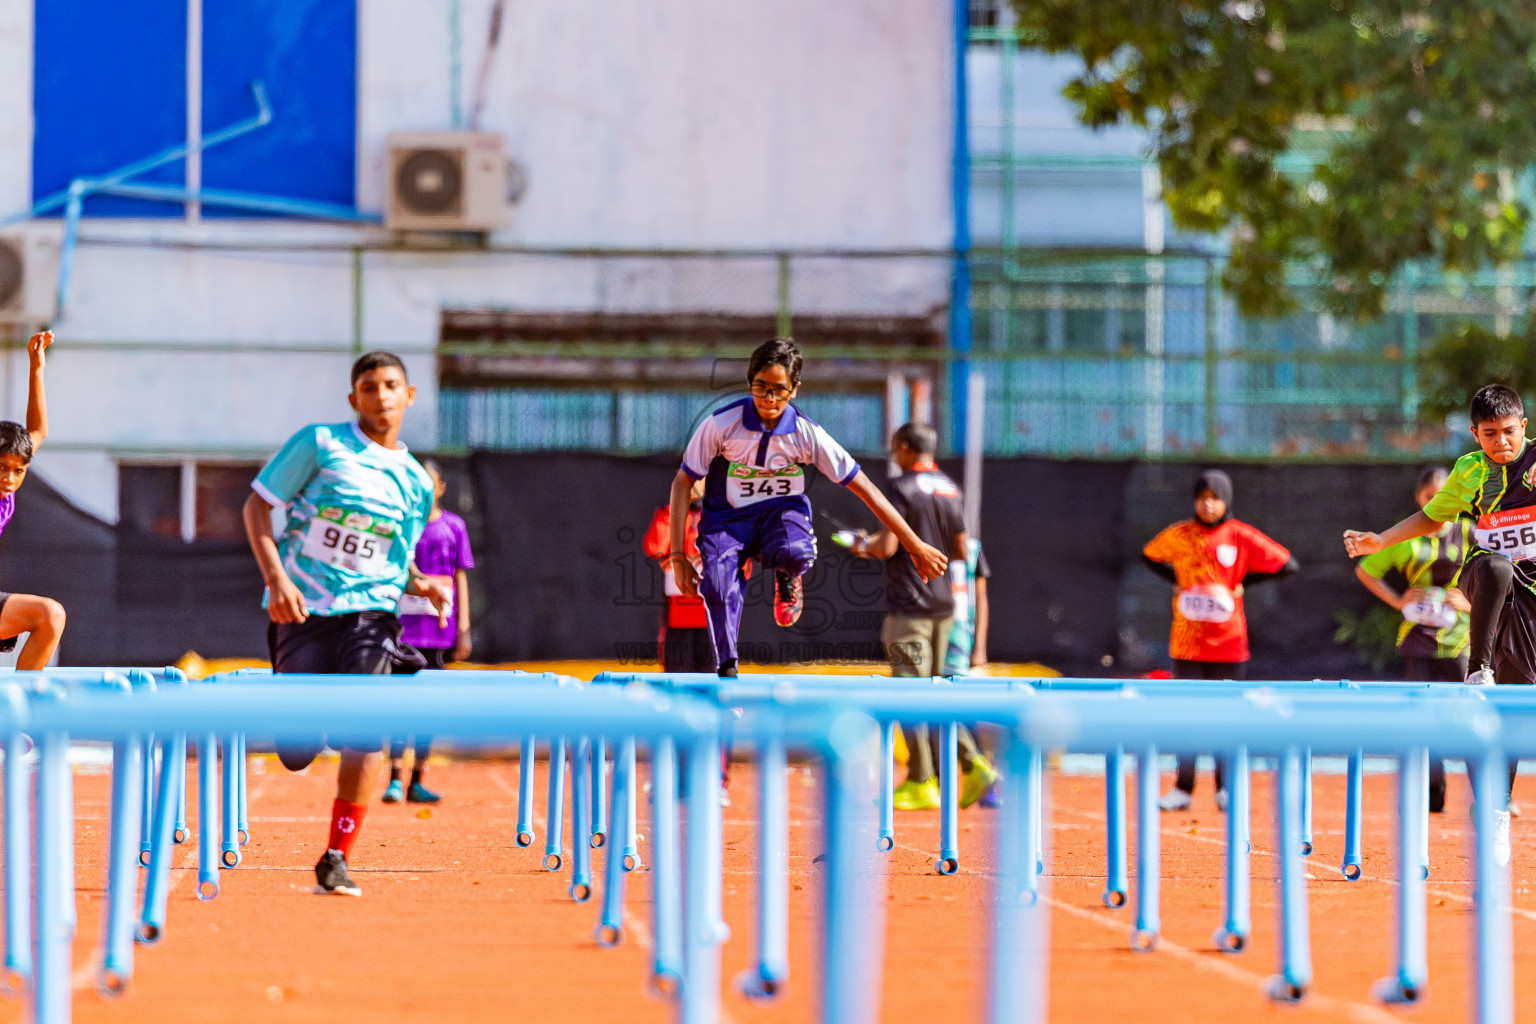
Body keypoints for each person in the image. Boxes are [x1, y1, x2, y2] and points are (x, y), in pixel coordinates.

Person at [242, 351, 451, 896]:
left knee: (366, 731)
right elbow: (257, 509)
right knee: (295, 752)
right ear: (353, 398)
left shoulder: (415, 481)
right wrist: (277, 581)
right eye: (368, 386)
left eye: (390, 385)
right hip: (304, 610)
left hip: (373, 616)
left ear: (408, 396)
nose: (380, 395)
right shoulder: (320, 444)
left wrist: (418, 582)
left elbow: (392, 552)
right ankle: (310, 720)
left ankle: (336, 856)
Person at [668, 337, 949, 678]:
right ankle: (727, 667)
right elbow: (683, 482)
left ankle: (789, 572)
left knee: (796, 551)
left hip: (779, 516)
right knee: (715, 584)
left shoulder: (806, 434)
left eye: (779, 390)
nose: (769, 400)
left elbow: (869, 491)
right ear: (749, 382)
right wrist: (679, 557)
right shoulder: (720, 424)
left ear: (795, 389)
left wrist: (915, 545)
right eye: (761, 388)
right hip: (727, 518)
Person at [1345, 383, 1536, 862]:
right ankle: (1480, 668)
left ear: (1524, 427)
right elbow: (1432, 519)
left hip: (1529, 600)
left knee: (1513, 713)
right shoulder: (1471, 471)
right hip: (1484, 579)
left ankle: (1494, 808)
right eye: (1489, 434)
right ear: (1474, 435)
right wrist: (1380, 541)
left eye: (1509, 432)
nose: (1501, 443)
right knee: (1495, 564)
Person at [848, 423, 996, 811]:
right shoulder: (950, 488)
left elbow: (888, 546)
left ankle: (927, 778)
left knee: (909, 693)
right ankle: (961, 767)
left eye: (895, 449)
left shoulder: (900, 488)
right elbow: (962, 550)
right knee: (936, 692)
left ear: (903, 447)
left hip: (909, 604)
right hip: (946, 605)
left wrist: (862, 546)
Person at [1143, 469, 1298, 812]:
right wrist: (1176, 581)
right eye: (1202, 497)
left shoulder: (1239, 535)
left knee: (1226, 718)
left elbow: (1288, 564)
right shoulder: (1180, 535)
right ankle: (1183, 788)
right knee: (1186, 718)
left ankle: (1225, 789)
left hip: (1229, 646)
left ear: (1226, 500)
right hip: (1186, 644)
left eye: (1214, 498)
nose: (1208, 504)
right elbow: (1148, 555)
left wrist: (1243, 583)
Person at [1353, 466, 1470, 813]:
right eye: (1429, 496)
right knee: (1425, 718)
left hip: (1460, 639)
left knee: (1468, 715)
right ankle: (1434, 794)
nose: (1436, 501)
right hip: (1417, 640)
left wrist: (1469, 601)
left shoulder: (1472, 533)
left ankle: (1491, 797)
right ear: (1419, 499)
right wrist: (1398, 600)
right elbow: (1366, 570)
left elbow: (1497, 574)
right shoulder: (1408, 536)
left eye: (1443, 494)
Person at [384, 458, 475, 805]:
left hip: (439, 633)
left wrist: (463, 629)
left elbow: (461, 577)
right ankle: (394, 778)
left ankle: (416, 780)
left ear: (440, 488)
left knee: (427, 708)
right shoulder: (400, 525)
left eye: (428, 482)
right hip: (402, 632)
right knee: (397, 706)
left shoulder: (454, 526)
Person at [0, 331, 68, 669]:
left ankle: (16, 709)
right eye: (1, 469)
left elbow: (38, 430)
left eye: (17, 471)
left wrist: (36, 368)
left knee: (50, 616)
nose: (8, 479)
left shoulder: (9, 485)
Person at [643, 477, 727, 673]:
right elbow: (654, 548)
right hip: (678, 607)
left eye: (699, 479)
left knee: (712, 669)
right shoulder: (670, 514)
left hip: (712, 607)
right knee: (677, 668)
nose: (692, 484)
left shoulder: (722, 516)